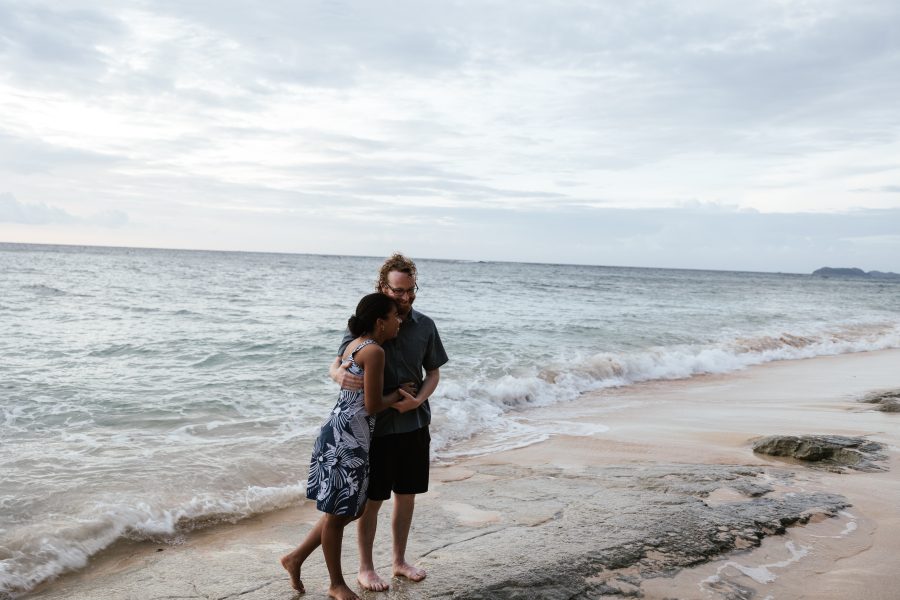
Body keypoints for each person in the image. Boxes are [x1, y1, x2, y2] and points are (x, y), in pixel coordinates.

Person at [280, 293, 412, 600]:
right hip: (347, 438)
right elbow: (374, 404)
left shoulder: (356, 343)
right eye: (395, 316)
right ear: (381, 322)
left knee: (347, 511)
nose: (399, 321)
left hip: (342, 431)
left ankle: (296, 557)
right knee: (340, 514)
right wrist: (399, 394)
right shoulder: (375, 351)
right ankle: (335, 584)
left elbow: (342, 371)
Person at [330, 253, 449, 592]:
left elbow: (434, 371)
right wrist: (338, 373)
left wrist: (418, 399)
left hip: (414, 424)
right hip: (375, 428)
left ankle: (399, 561)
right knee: (373, 499)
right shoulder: (368, 322)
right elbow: (340, 360)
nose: (406, 298)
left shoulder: (424, 325)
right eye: (399, 291)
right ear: (383, 287)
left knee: (407, 494)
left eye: (411, 290)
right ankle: (365, 567)